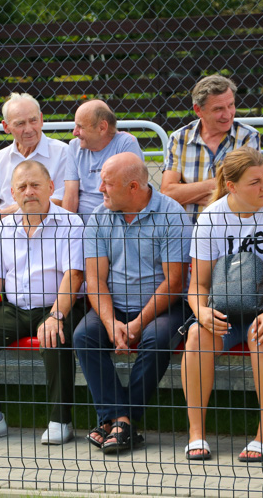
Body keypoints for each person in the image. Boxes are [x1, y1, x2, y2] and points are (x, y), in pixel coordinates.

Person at [183, 148, 263, 462]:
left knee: (260, 336)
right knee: (197, 336)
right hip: (229, 306)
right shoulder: (211, 216)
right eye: (255, 182)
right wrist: (202, 312)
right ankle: (196, 432)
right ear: (232, 186)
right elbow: (198, 284)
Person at [74, 152, 191, 453]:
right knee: (84, 335)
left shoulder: (172, 214)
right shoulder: (100, 216)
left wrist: (138, 324)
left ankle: (115, 421)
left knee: (155, 338)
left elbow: (174, 282)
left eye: (108, 184)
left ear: (134, 187)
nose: (100, 189)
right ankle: (122, 420)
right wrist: (112, 322)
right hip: (115, 304)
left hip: (164, 305)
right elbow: (95, 280)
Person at [0, 161, 84, 444]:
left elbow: (74, 276)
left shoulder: (70, 223)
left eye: (35, 185)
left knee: (56, 337)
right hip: (15, 309)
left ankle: (59, 421)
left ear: (51, 188)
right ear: (13, 194)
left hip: (57, 306)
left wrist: (56, 316)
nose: (29, 192)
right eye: (22, 187)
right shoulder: (4, 228)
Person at [162, 75, 260, 218]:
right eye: (218, 109)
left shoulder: (247, 136)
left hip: (233, 229)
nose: (227, 115)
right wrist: (222, 187)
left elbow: (249, 191)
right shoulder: (180, 138)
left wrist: (190, 194)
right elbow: (168, 194)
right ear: (198, 110)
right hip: (189, 231)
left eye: (231, 105)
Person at [0, 93, 69, 226]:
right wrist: (6, 220)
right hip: (6, 233)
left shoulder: (63, 153)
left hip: (52, 231)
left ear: (41, 119)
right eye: (20, 124)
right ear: (6, 127)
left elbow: (63, 201)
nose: (28, 129)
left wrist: (17, 210)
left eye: (33, 120)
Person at [62, 99, 144, 221]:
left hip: (116, 223)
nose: (75, 132)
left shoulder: (125, 143)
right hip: (82, 226)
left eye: (80, 126)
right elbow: (71, 195)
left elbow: (130, 196)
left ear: (102, 127)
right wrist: (69, 230)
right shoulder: (75, 147)